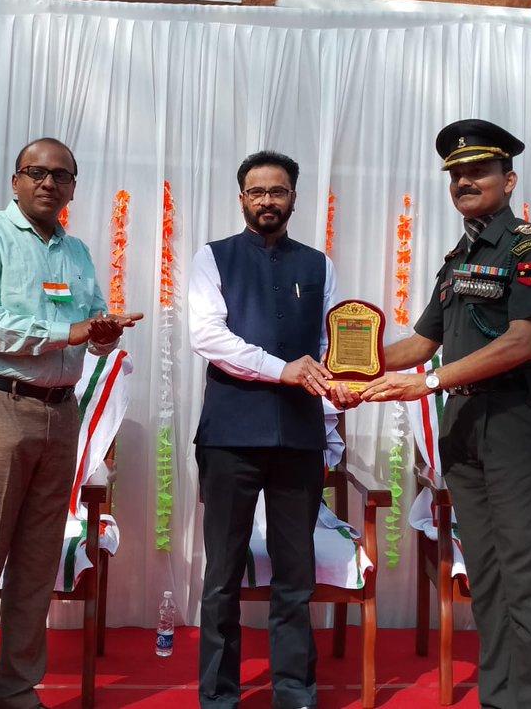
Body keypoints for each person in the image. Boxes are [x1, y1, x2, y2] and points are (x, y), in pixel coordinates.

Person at [337, 119, 531, 708]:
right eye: (457, 174)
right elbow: (419, 345)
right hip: (464, 426)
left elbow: (521, 341)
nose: (465, 180)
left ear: (508, 179)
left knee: (528, 574)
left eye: (479, 171)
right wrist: (343, 370)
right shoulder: (458, 258)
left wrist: (430, 382)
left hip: (520, 420)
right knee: (486, 574)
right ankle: (498, 698)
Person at [0, 137, 142, 709]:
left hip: (61, 412)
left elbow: (89, 318)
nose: (48, 183)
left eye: (61, 175)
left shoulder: (76, 253)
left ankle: (18, 691)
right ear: (16, 180)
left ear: (73, 188)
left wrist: (102, 329)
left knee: (35, 566)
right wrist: (67, 333)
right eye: (36, 172)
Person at [188, 150, 336, 709]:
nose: (267, 201)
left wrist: (338, 392)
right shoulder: (213, 258)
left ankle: (295, 694)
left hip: (299, 437)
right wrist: (283, 369)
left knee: (295, 576)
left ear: (294, 197)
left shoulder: (319, 264)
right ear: (242, 197)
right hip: (230, 436)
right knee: (222, 576)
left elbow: (328, 344)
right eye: (257, 191)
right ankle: (219, 697)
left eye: (278, 191)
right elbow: (210, 338)